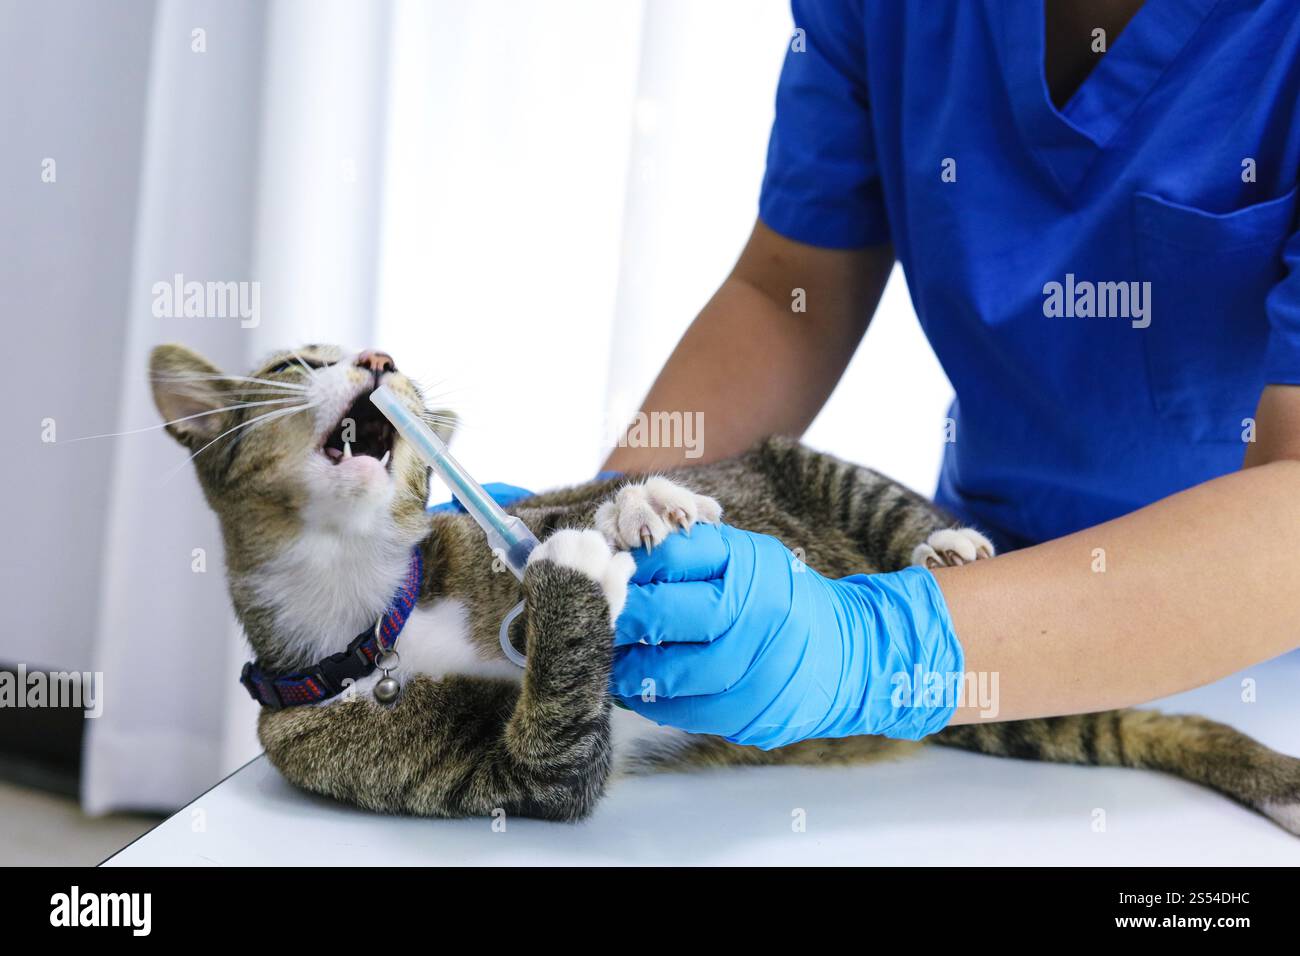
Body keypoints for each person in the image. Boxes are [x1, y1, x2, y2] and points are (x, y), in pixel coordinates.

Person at [588, 0, 1300, 748]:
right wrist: (594, 529)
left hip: (1259, 673)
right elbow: (792, 295)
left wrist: (876, 648)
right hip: (979, 608)